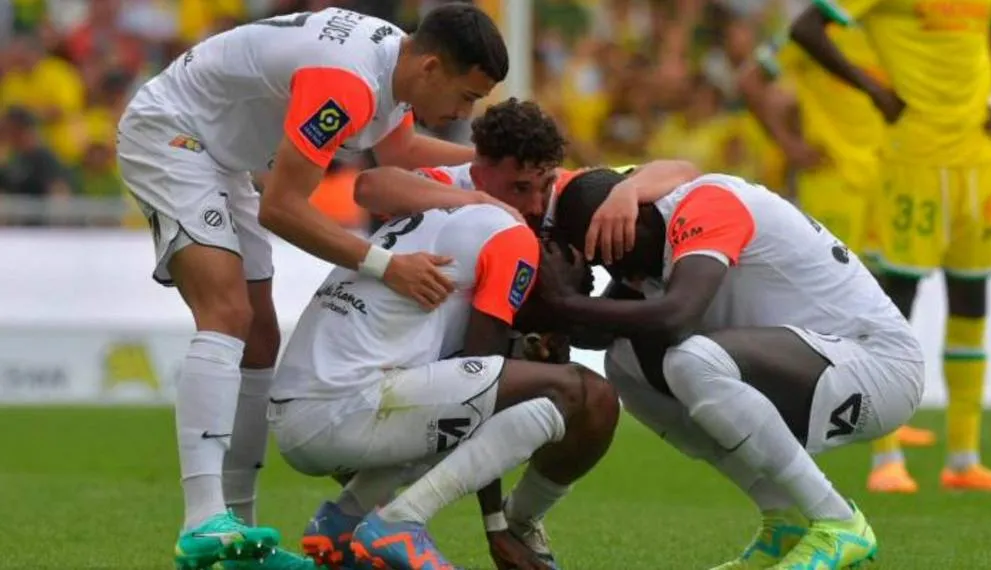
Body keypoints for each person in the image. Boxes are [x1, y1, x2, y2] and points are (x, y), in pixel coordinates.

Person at [115, 5, 511, 569]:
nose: (463, 113)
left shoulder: (394, 64)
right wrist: (385, 265)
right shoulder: (344, 82)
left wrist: (495, 166)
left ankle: (240, 540)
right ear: (430, 67)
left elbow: (398, 153)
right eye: (467, 97)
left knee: (258, 341)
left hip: (223, 157)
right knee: (227, 313)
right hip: (174, 136)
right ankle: (203, 520)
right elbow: (282, 207)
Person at [303, 99, 699, 570]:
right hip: (402, 376)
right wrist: (479, 203)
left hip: (425, 375)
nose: (534, 206)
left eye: (544, 185)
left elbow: (684, 169)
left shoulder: (560, 192)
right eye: (518, 189)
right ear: (481, 172)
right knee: (566, 390)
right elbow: (370, 185)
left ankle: (505, 520)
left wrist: (627, 192)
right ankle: (398, 520)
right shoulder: (457, 187)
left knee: (594, 405)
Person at [540, 167, 925, 569]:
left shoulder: (707, 206)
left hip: (879, 369)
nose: (626, 277)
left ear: (633, 216)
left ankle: (839, 522)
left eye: (620, 257)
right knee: (625, 366)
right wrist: (549, 314)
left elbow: (675, 316)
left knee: (694, 361)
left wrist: (564, 304)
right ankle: (785, 519)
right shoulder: (639, 226)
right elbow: (606, 328)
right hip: (817, 368)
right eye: (608, 265)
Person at [268, 198, 620, 570]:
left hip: (300, 414)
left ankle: (344, 519)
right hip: (340, 414)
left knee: (459, 402)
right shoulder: (504, 242)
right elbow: (485, 383)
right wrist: (495, 526)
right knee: (579, 389)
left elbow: (375, 182)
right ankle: (401, 521)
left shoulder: (443, 211)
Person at [790, 0, 991, 493]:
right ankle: (887, 457)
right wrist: (875, 89)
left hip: (978, 162)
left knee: (971, 302)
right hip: (913, 163)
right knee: (893, 309)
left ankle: (964, 459)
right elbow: (806, 27)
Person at [737, 8, 937, 490]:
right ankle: (881, 457)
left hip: (888, 177)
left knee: (888, 300)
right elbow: (750, 81)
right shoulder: (814, 37)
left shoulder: (887, 34)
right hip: (834, 184)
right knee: (840, 314)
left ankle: (887, 419)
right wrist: (788, 144)